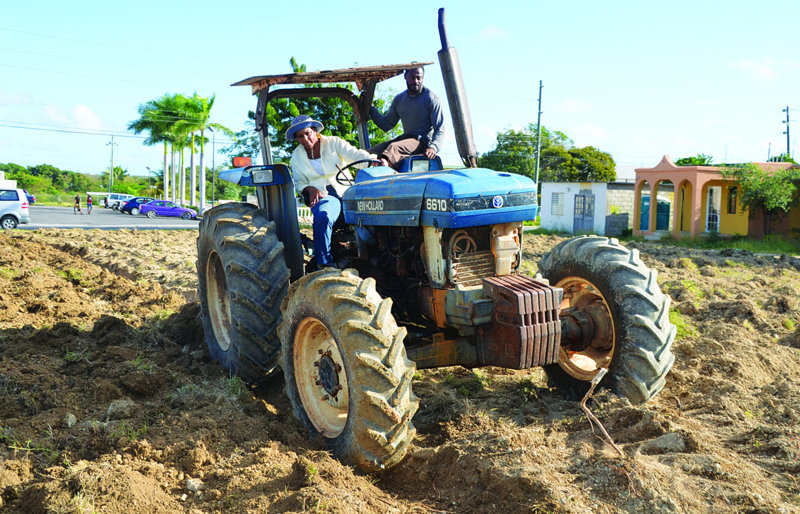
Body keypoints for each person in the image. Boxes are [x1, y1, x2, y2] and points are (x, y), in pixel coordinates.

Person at [287, 115, 378, 268]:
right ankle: (324, 265)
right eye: (300, 136)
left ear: (315, 131)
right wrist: (309, 188)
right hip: (324, 195)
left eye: (307, 133)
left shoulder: (334, 143)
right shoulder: (296, 157)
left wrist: (373, 161)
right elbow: (299, 182)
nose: (305, 139)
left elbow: (355, 155)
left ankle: (376, 257)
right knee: (323, 215)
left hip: (346, 191)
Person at [368, 66, 445, 169]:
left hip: (422, 142)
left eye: (419, 78)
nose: (416, 81)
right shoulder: (399, 99)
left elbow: (440, 129)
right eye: (412, 77)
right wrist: (370, 107)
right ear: (405, 76)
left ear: (423, 78)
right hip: (406, 139)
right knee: (369, 153)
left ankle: (384, 168)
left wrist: (433, 148)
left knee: (393, 148)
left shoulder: (431, 99)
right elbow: (386, 125)